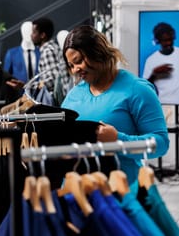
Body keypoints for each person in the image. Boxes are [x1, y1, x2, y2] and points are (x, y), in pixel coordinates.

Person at [61, 25, 169, 185]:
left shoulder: (137, 89)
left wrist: (118, 140)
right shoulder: (74, 94)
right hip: (78, 194)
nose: (75, 69)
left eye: (78, 61)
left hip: (121, 193)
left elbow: (160, 144)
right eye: (71, 65)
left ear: (97, 52)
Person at [31, 17, 71, 98]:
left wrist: (30, 87)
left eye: (34, 32)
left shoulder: (48, 51)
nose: (31, 35)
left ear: (42, 35)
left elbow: (53, 79)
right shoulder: (52, 47)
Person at [142, 22, 179, 105]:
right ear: (158, 41)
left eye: (170, 39)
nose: (169, 43)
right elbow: (145, 87)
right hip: (162, 105)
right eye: (165, 41)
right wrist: (154, 73)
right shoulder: (151, 60)